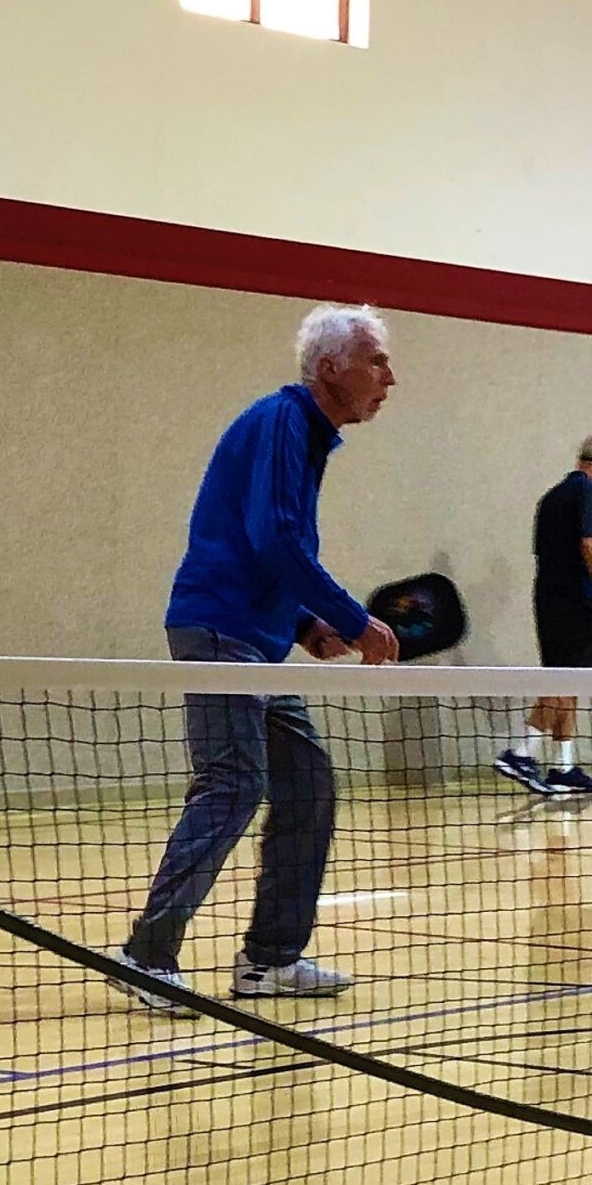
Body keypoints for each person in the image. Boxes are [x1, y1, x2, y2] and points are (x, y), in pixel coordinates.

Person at [111, 305, 402, 1015]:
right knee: (234, 783)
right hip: (221, 633)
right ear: (330, 367)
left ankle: (270, 958)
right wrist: (352, 620)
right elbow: (273, 537)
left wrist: (304, 624)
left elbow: (262, 546)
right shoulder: (283, 421)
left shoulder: (306, 435)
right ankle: (145, 955)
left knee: (307, 784)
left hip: (259, 643)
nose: (390, 377)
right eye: (376, 361)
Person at [496, 436, 592, 796]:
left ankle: (563, 767)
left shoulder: (550, 497)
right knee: (566, 680)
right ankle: (521, 753)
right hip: (578, 600)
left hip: (548, 598)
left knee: (567, 678)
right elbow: (591, 543)